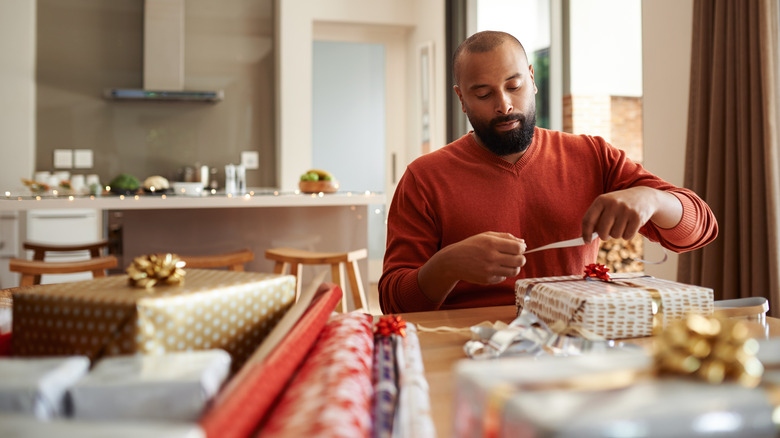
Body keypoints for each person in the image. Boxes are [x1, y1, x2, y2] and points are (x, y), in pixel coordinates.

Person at [378, 30, 718, 314]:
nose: (504, 105)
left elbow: (699, 229)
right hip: (468, 346)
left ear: (532, 79)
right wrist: (447, 264)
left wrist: (652, 199)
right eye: (483, 94)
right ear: (461, 98)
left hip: (574, 339)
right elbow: (394, 303)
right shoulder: (424, 178)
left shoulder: (592, 155)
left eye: (514, 86)